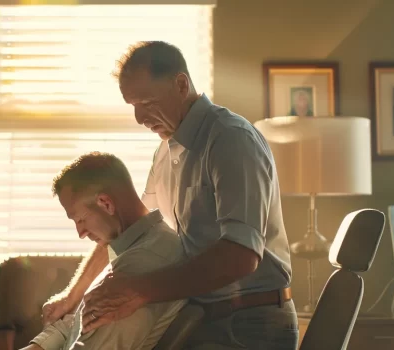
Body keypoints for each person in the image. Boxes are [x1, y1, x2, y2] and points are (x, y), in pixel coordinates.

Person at [42, 41, 297, 349]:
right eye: (132, 105)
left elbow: (240, 256)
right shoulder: (165, 150)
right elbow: (130, 228)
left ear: (180, 84)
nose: (139, 117)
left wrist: (137, 290)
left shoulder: (230, 139)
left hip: (248, 324)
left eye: (146, 103)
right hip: (202, 319)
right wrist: (71, 297)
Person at [18, 152, 187, 350]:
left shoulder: (142, 263)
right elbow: (80, 322)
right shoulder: (133, 245)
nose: (80, 233)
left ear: (105, 203)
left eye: (80, 219)